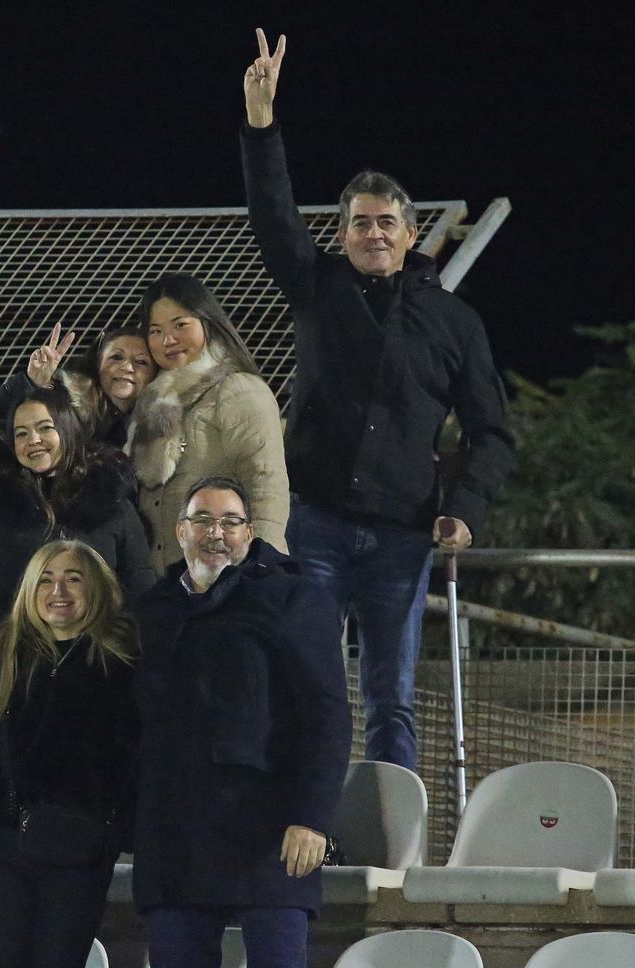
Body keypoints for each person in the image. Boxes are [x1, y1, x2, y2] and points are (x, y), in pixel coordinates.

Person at [239, 30, 514, 769]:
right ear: (342, 234)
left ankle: (394, 842)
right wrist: (261, 125)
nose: (372, 232)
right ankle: (306, 823)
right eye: (359, 222)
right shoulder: (318, 287)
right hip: (316, 520)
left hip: (402, 535)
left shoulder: (455, 322)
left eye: (385, 221)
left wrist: (466, 510)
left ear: (411, 233)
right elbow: (272, 219)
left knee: (390, 696)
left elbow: (493, 432)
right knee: (307, 682)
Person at [132, 477, 350, 968]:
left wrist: (311, 817)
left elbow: (326, 714)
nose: (217, 533)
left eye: (231, 522)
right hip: (175, 839)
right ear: (180, 531)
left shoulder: (292, 599)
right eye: (203, 520)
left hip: (269, 831)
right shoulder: (152, 611)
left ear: (250, 533)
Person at [0, 540, 138, 968]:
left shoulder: (122, 663)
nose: (58, 590)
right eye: (46, 579)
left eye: (72, 579)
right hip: (3, 848)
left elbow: (132, 757)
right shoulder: (3, 657)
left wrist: (110, 828)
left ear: (95, 589)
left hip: (80, 851)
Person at [0, 385, 154, 714]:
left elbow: (141, 594)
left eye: (45, 428)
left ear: (68, 430)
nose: (34, 441)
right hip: (20, 678)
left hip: (100, 675)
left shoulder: (112, 504)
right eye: (21, 433)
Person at [127, 273, 291, 569]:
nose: (168, 340)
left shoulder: (236, 389)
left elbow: (265, 483)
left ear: (207, 322)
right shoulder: (150, 405)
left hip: (227, 578)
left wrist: (262, 570)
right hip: (167, 584)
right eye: (155, 331)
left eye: (180, 325)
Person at [0, 323, 159, 449]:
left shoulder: (156, 424)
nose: (127, 367)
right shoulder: (63, 401)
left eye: (141, 362)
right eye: (116, 357)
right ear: (98, 364)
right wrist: (29, 384)